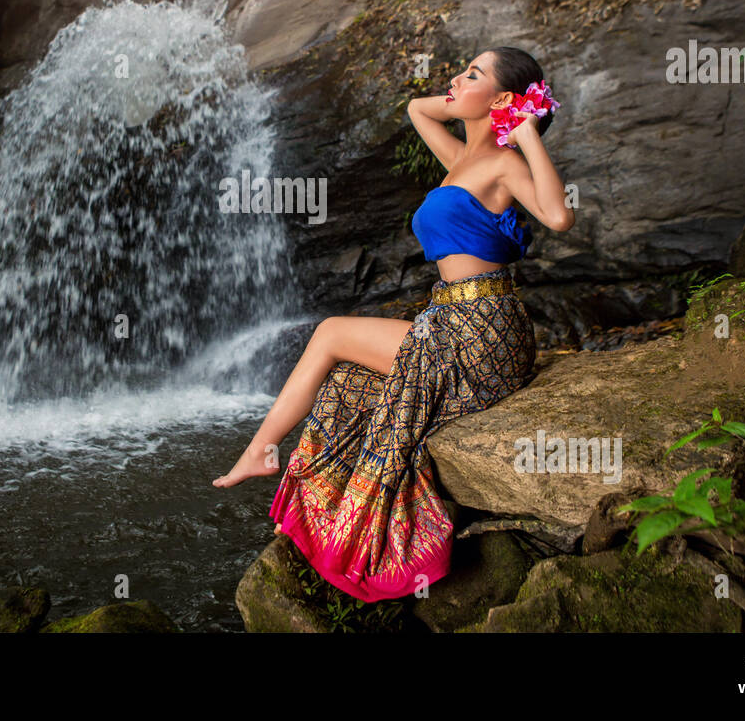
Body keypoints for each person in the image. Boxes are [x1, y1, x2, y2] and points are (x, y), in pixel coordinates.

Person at [212, 46, 574, 603]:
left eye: (472, 73)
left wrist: (522, 129)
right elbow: (416, 110)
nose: (456, 77)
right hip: (453, 318)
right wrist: (467, 97)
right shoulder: (459, 158)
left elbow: (558, 215)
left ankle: (262, 449)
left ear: (502, 98)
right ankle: (272, 458)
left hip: (480, 329)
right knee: (351, 383)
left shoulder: (504, 164)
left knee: (331, 333)